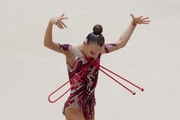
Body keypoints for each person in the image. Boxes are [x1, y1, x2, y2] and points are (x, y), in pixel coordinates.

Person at [44, 13, 151, 120]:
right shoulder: (71, 51)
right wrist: (50, 23)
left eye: (98, 53)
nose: (95, 56)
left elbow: (121, 43)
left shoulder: (98, 51)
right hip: (74, 105)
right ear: (85, 43)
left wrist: (133, 24)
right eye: (92, 52)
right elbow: (48, 44)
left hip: (89, 105)